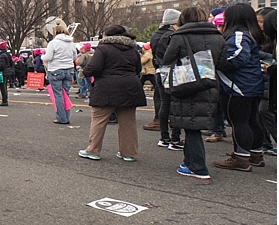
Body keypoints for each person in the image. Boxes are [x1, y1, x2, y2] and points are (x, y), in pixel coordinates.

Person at [160, 7, 227, 179]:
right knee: (193, 125)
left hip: (185, 84)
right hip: (209, 84)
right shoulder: (218, 37)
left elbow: (168, 59)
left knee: (190, 127)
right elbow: (222, 62)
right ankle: (189, 162)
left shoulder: (179, 36)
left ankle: (198, 167)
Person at [78, 25, 147, 162]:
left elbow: (94, 67)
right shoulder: (132, 49)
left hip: (106, 87)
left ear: (106, 35)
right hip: (130, 87)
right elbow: (138, 68)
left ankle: (93, 150)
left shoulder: (103, 48)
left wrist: (84, 72)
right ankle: (129, 153)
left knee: (99, 119)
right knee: (128, 122)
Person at [213, 4, 266, 171]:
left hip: (238, 85)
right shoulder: (252, 34)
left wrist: (215, 63)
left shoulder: (238, 35)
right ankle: (255, 154)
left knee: (239, 122)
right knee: (251, 120)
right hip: (252, 83)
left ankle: (241, 158)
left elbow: (237, 57)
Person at [148, 10, 182, 148]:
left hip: (159, 71)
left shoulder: (156, 35)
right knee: (175, 104)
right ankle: (175, 138)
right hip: (172, 72)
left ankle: (164, 137)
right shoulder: (173, 36)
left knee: (164, 103)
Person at [41, 21, 76, 125]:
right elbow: (74, 56)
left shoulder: (53, 43)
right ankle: (66, 116)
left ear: (55, 33)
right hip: (69, 69)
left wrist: (42, 56)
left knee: (58, 95)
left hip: (55, 69)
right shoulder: (71, 43)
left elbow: (48, 57)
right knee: (66, 94)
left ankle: (61, 118)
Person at [256, 8, 276, 155]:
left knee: (265, 111)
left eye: (262, 21)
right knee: (260, 112)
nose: (260, 24)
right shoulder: (259, 37)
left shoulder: (273, 40)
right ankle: (265, 142)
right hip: (264, 79)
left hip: (271, 81)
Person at [0, 41, 14, 106]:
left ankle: (4, 100)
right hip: (8, 71)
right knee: (5, 86)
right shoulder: (8, 54)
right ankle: (5, 99)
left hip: (3, 72)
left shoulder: (1, 55)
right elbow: (12, 63)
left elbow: (2, 65)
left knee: (2, 86)